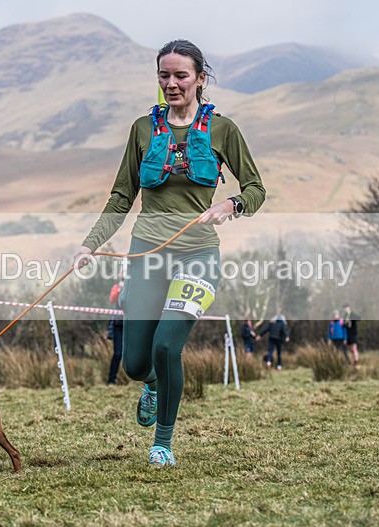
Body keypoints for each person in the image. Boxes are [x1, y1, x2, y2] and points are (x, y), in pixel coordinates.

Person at [73, 40, 266, 467]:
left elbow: (256, 189)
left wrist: (230, 204)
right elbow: (121, 196)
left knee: (166, 345)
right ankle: (153, 384)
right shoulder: (142, 129)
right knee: (135, 363)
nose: (172, 83)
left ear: (200, 78)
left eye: (181, 75)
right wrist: (90, 243)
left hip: (198, 254)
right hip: (147, 254)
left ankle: (162, 443)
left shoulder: (223, 130)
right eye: (165, 75)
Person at [106, 280, 124, 385]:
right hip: (118, 324)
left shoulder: (134, 286)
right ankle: (111, 380)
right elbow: (112, 299)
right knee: (118, 354)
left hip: (131, 325)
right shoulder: (117, 286)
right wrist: (119, 290)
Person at [342, 303, 361, 369]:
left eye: (346, 308)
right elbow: (345, 325)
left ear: (349, 308)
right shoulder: (345, 316)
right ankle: (354, 362)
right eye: (344, 308)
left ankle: (356, 362)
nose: (345, 309)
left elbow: (359, 318)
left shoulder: (352, 314)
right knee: (351, 350)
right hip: (348, 335)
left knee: (354, 348)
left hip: (353, 334)